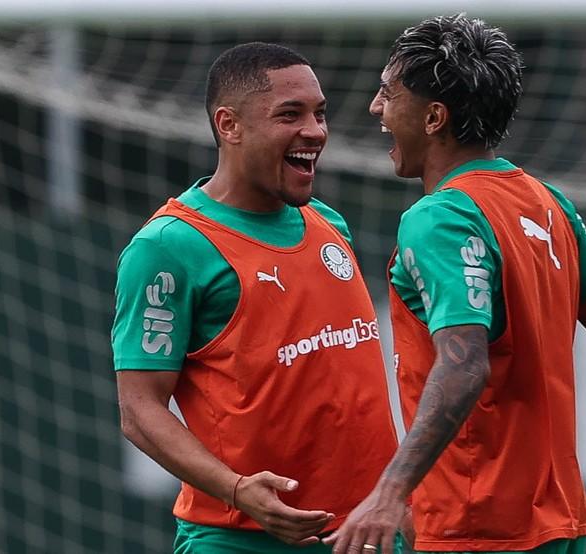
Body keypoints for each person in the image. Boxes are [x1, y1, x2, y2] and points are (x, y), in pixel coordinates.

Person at [325, 14, 586, 554]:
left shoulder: (439, 218)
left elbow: (464, 365)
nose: (375, 108)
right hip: (561, 522)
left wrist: (390, 492)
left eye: (388, 93)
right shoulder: (548, 202)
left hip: (475, 524)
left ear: (434, 117)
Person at [113, 42, 404, 553]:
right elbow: (140, 410)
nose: (314, 131)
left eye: (319, 113)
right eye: (290, 115)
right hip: (240, 539)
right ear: (229, 125)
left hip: (366, 534)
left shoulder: (328, 224)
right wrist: (237, 489)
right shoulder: (168, 247)